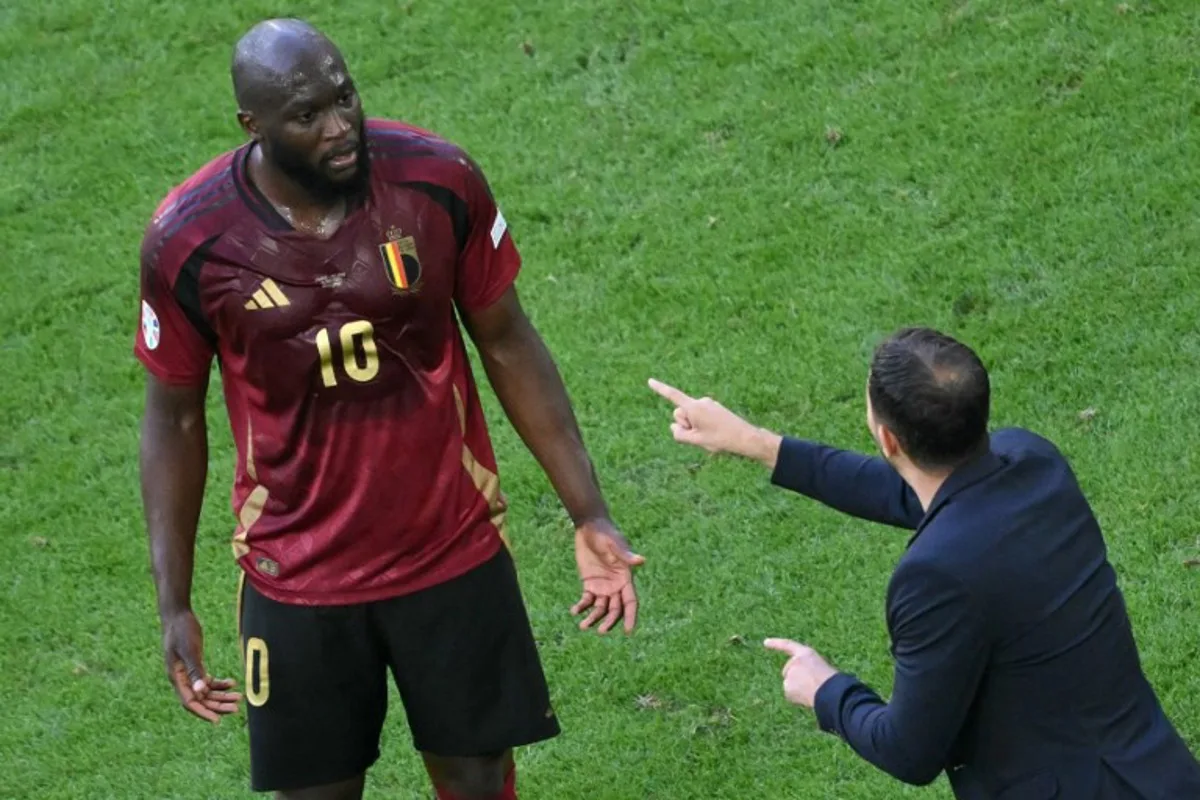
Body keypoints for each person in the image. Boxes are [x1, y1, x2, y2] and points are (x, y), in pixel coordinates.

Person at [134, 18, 643, 800]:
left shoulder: (437, 181)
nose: (340, 128)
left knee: (479, 783)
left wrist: (590, 511)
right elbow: (172, 419)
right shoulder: (191, 238)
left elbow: (507, 342)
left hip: (452, 551)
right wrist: (173, 600)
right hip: (295, 575)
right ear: (254, 126)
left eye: (345, 98)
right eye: (308, 116)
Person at [649, 327, 1200, 799]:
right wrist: (756, 442)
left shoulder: (936, 577)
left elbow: (910, 751)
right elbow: (910, 493)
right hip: (1156, 774)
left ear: (887, 438)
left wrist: (826, 690)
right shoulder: (1033, 461)